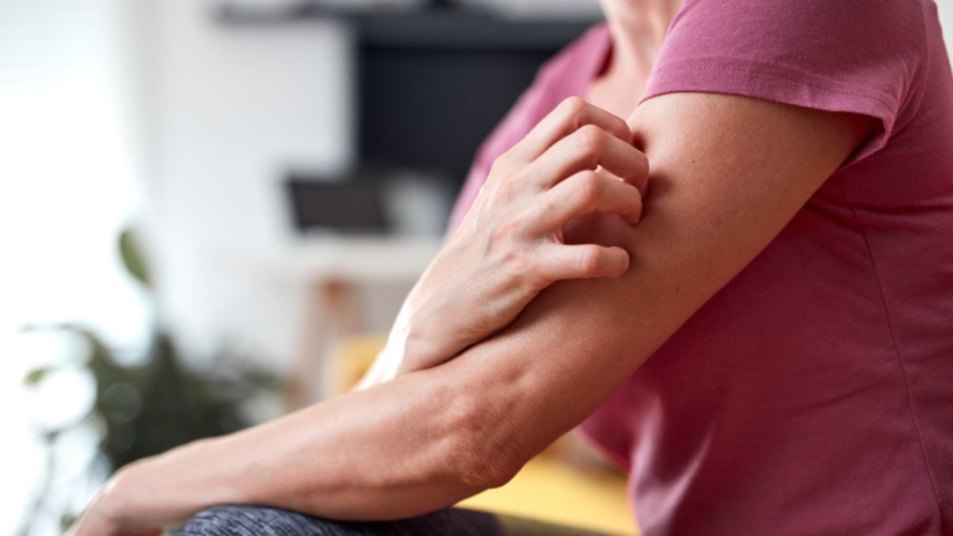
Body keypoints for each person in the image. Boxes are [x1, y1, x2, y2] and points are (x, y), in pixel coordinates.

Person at [72, 0, 953, 534]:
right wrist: (422, 316)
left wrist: (132, 491)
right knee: (266, 525)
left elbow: (472, 427)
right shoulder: (552, 103)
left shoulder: (800, 14)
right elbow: (406, 422)